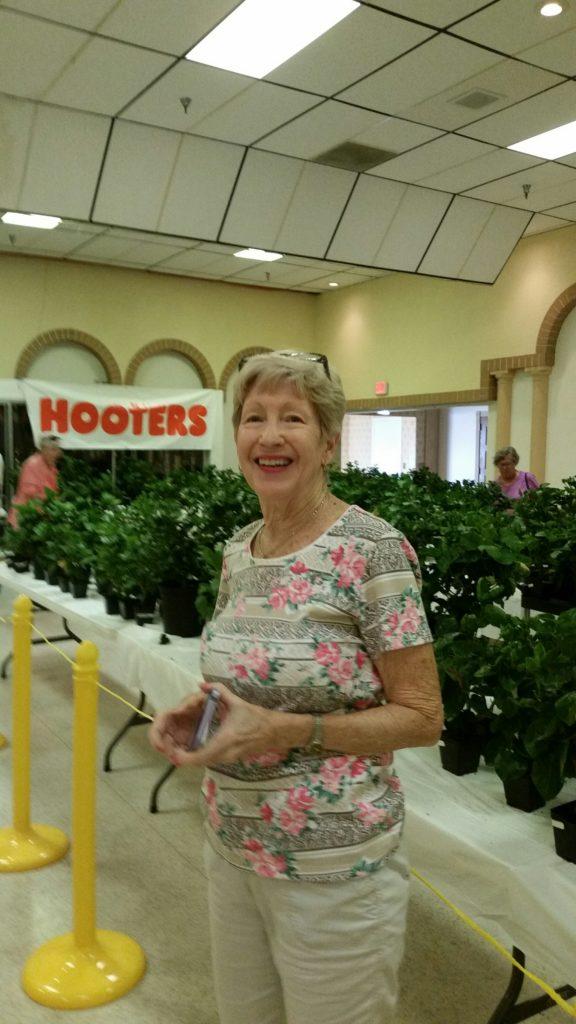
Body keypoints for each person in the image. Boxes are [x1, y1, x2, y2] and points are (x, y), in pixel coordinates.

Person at [150, 351, 443, 1024]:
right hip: (232, 846)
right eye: (254, 417)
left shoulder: (372, 550)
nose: (270, 435)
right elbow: (248, 680)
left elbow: (423, 716)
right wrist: (201, 712)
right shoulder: (238, 550)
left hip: (334, 869)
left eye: (293, 418)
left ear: (328, 441)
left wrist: (291, 730)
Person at [7, 434, 62, 527]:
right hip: (24, 517)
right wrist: (47, 499)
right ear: (44, 449)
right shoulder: (32, 464)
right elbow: (28, 490)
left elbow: (54, 489)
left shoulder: (51, 466)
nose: (58, 453)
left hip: (39, 517)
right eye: (53, 449)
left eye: (57, 449)